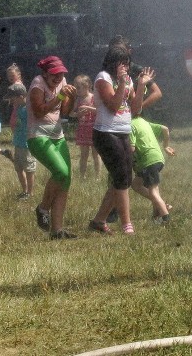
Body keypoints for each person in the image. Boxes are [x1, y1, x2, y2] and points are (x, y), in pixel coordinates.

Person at [87, 46, 148, 235]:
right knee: (121, 177)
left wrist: (141, 86)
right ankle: (126, 224)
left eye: (127, 64)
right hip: (106, 133)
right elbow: (113, 106)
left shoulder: (127, 79)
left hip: (123, 132)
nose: (126, 68)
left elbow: (136, 109)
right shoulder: (102, 78)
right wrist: (122, 83)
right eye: (122, 63)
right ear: (113, 63)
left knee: (125, 178)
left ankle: (98, 221)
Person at [27, 56, 78, 239]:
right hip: (38, 136)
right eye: (54, 74)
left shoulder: (62, 82)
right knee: (61, 172)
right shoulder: (37, 84)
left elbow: (64, 112)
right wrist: (60, 95)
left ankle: (57, 231)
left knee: (65, 180)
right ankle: (42, 208)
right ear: (45, 73)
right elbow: (39, 111)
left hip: (58, 135)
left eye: (61, 73)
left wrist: (70, 97)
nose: (58, 78)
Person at [129, 115, 174, 224]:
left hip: (147, 161)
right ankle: (160, 208)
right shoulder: (142, 121)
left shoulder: (129, 126)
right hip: (157, 158)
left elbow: (131, 148)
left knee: (153, 190)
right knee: (136, 184)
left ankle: (166, 219)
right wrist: (166, 146)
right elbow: (165, 129)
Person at [5, 83, 36, 199]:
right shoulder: (17, 108)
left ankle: (30, 192)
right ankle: (24, 190)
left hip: (27, 144)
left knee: (29, 168)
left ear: (22, 96)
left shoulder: (30, 108)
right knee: (18, 168)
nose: (12, 102)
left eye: (13, 99)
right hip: (18, 142)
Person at [71, 74, 101, 178]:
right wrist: (77, 114)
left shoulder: (94, 97)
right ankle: (82, 175)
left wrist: (89, 108)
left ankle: (97, 176)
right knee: (83, 154)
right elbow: (71, 113)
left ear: (87, 86)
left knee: (95, 154)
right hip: (83, 129)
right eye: (75, 88)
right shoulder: (78, 100)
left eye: (78, 87)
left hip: (94, 129)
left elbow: (100, 111)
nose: (77, 90)